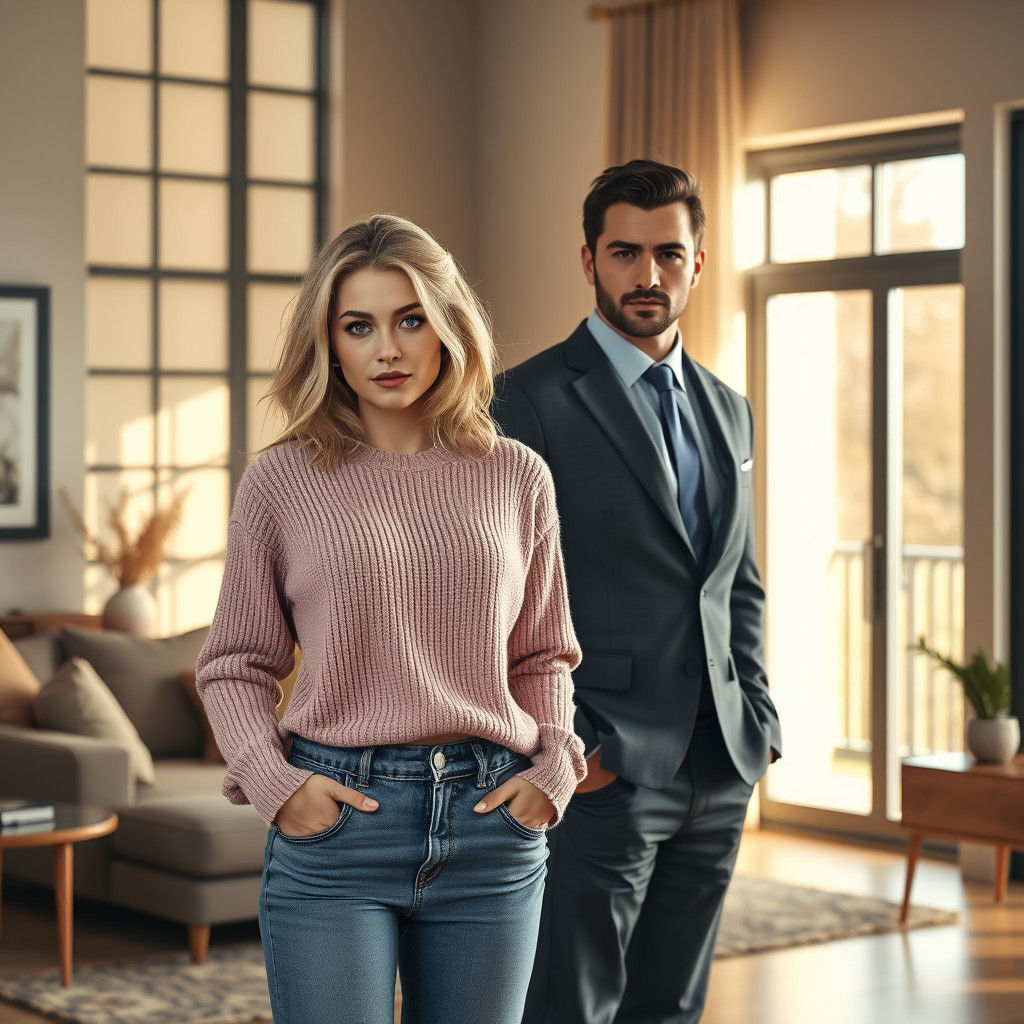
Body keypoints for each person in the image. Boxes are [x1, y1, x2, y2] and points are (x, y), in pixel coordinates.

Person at [194, 213, 587, 1024]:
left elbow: (541, 655)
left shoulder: (517, 476)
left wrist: (552, 772)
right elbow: (234, 665)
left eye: (411, 320)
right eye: (358, 326)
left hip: (493, 826)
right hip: (337, 827)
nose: (388, 350)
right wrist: (275, 785)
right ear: (328, 343)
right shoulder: (281, 482)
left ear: (447, 327)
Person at [490, 158, 782, 1024]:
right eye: (624, 252)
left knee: (673, 1006)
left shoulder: (729, 409)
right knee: (570, 1005)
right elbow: (498, 599)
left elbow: (738, 583)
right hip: (602, 763)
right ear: (589, 260)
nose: (647, 274)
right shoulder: (525, 403)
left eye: (667, 253)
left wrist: (758, 717)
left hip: (720, 760)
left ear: (698, 262)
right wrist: (572, 746)